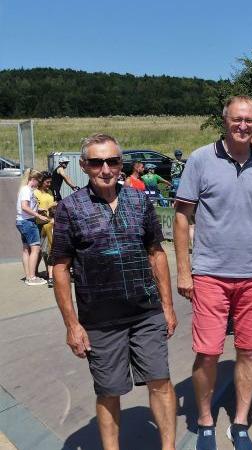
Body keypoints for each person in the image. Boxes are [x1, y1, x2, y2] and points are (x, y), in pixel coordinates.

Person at [51, 133, 177, 450]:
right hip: (100, 320)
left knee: (160, 380)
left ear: (120, 164)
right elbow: (60, 268)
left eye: (112, 161)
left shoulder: (140, 201)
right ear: (84, 166)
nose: (105, 168)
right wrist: (72, 325)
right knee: (109, 391)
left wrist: (167, 306)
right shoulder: (70, 209)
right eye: (96, 162)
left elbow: (156, 253)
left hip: (146, 312)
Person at [174, 96, 252, 450]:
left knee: (249, 351)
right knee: (208, 352)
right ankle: (205, 420)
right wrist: (183, 270)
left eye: (250, 120)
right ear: (225, 121)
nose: (243, 126)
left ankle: (239, 422)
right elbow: (181, 217)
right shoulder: (201, 160)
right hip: (209, 274)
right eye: (237, 119)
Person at [16, 169, 48, 286]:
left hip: (22, 221)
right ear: (32, 179)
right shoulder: (26, 190)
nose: (38, 184)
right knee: (35, 249)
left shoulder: (24, 189)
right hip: (28, 222)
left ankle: (28, 276)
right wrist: (38, 215)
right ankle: (32, 277)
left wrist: (38, 210)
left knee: (26, 249)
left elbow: (26, 207)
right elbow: (24, 207)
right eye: (38, 181)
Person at [34, 171, 57, 287]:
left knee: (48, 250)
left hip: (49, 223)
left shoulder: (50, 192)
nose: (49, 184)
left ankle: (50, 273)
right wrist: (47, 208)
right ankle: (34, 272)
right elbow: (35, 209)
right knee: (39, 250)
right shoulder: (35, 193)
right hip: (39, 225)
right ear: (41, 182)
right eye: (47, 182)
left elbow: (52, 208)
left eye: (50, 182)